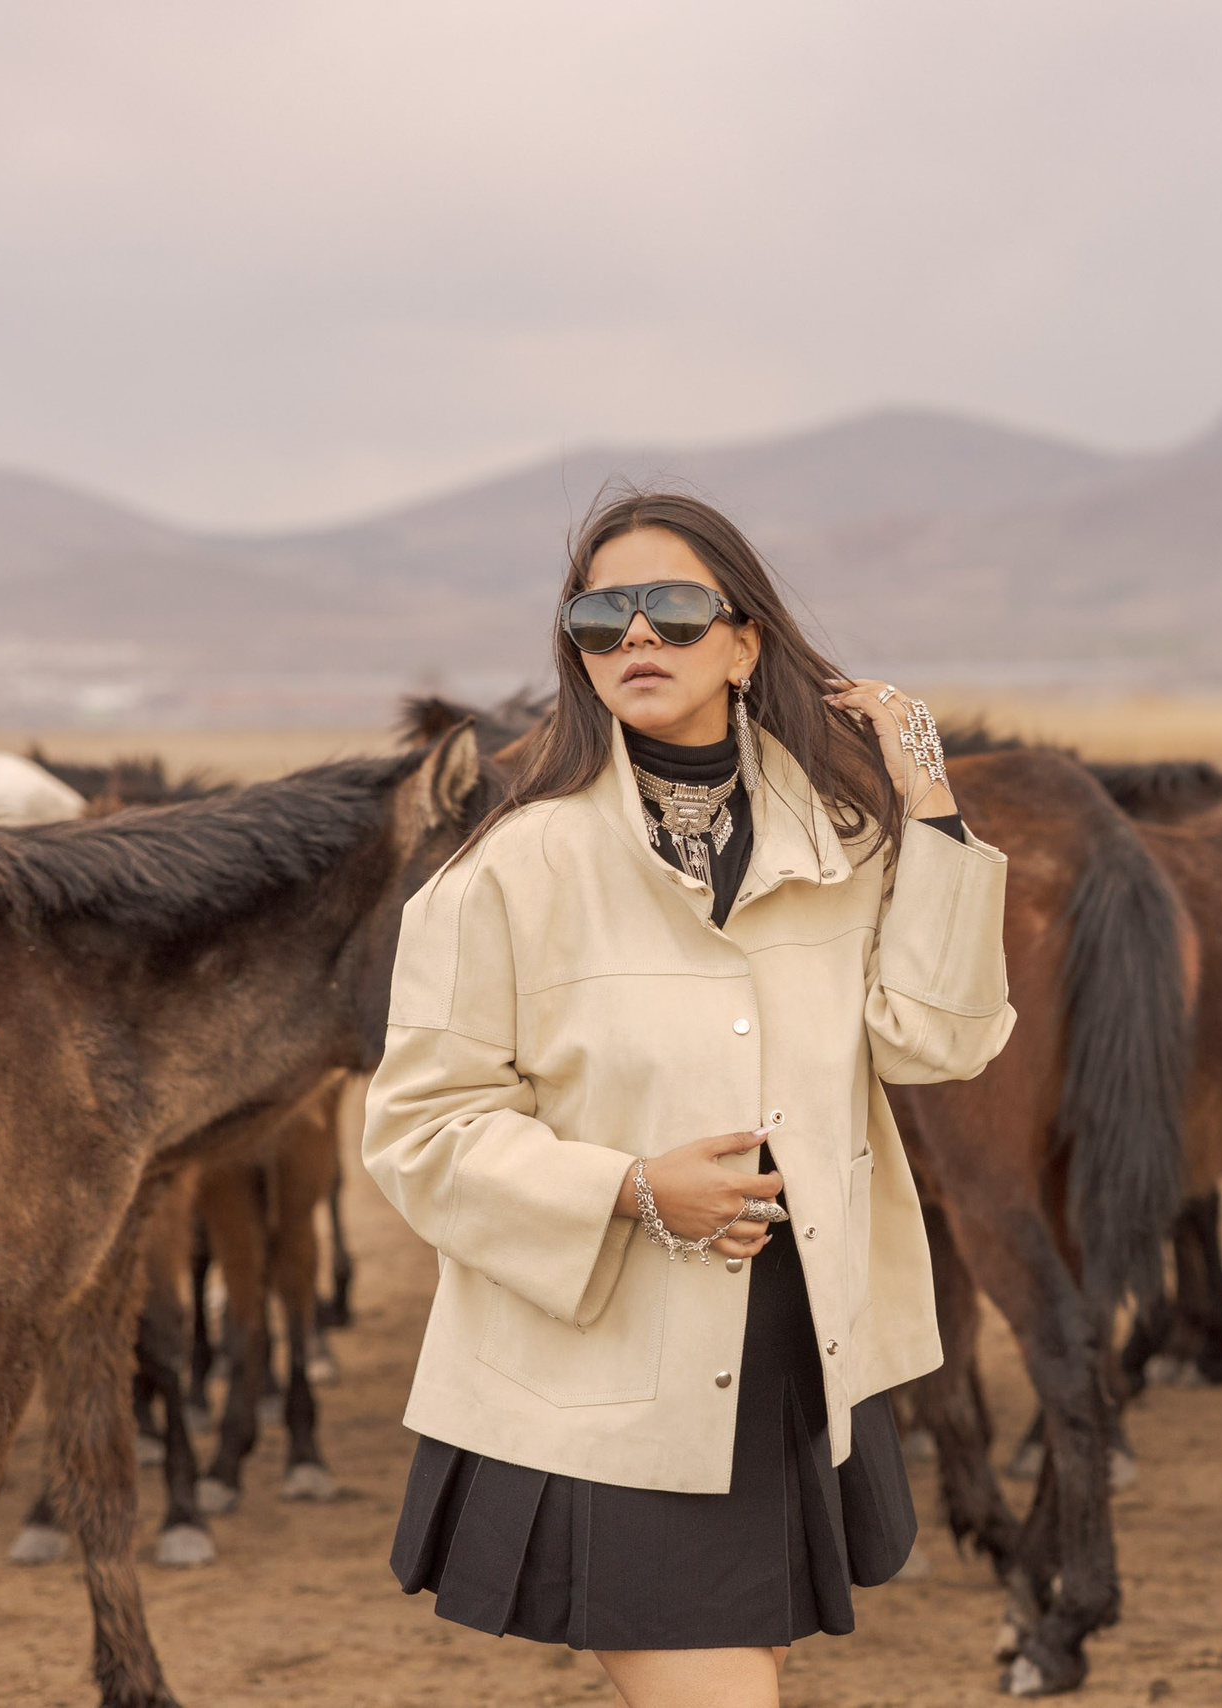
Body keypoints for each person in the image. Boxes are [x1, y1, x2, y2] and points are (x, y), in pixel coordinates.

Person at [362, 489, 1013, 1707]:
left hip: (792, 1354)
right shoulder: (508, 866)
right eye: (601, 618)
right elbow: (416, 1133)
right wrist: (630, 1184)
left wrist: (930, 805)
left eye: (670, 608)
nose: (636, 639)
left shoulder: (848, 840)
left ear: (745, 638)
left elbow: (941, 1039)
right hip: (606, 1376)